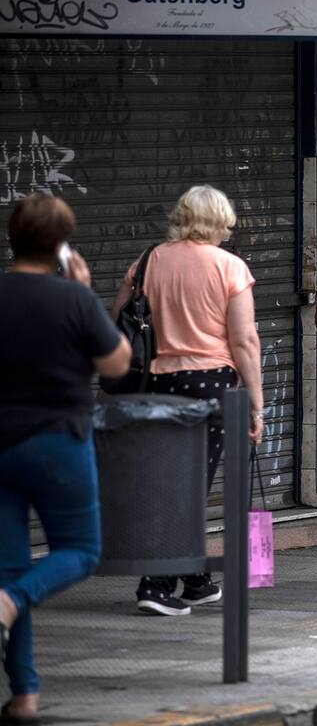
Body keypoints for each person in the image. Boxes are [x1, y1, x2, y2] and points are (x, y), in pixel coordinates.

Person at [0, 194, 131, 723]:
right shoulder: (71, 299)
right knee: (80, 550)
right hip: (57, 443)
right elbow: (118, 363)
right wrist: (84, 296)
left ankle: (25, 695)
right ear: (59, 246)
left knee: (10, 568)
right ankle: (6, 606)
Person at [112, 184, 264, 615]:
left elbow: (118, 319)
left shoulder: (149, 261)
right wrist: (256, 404)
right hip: (211, 386)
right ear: (220, 221)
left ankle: (196, 579)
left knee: (176, 480)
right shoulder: (229, 268)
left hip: (161, 385)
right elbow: (245, 342)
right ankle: (155, 584)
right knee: (189, 486)